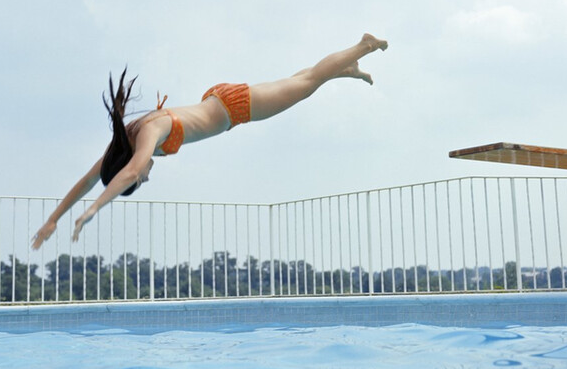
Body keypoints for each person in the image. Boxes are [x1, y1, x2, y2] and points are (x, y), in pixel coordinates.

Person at [30, 33, 388, 249]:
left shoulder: (144, 141)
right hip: (219, 99)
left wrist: (93, 210)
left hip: (235, 108)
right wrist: (54, 219)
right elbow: (88, 180)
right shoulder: (128, 139)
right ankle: (344, 68)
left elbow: (123, 175)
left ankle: (363, 46)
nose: (145, 176)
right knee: (295, 84)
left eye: (141, 179)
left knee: (306, 83)